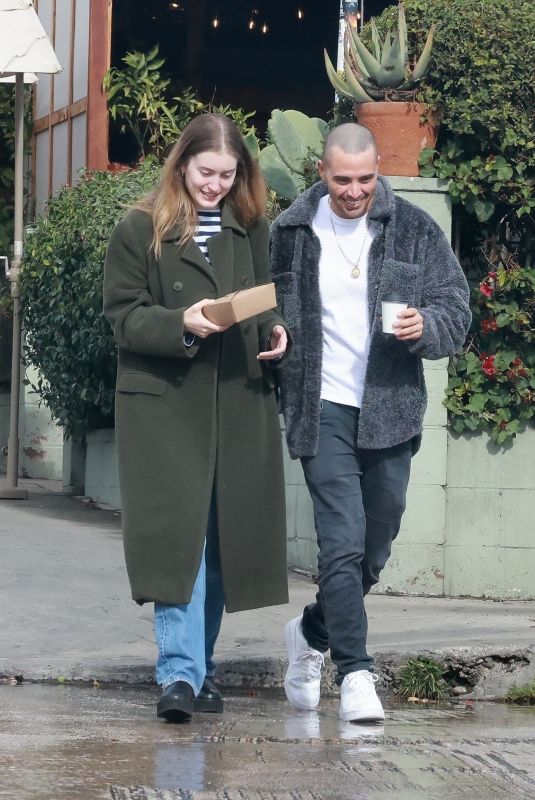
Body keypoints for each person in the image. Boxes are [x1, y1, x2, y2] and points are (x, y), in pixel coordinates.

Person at [270, 123, 471, 723]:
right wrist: (273, 335)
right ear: (321, 173)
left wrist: (425, 327)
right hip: (319, 405)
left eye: (365, 179)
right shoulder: (290, 232)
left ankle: (309, 633)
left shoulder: (413, 229)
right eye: (342, 180)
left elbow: (456, 309)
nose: (354, 192)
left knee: (374, 548)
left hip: (389, 409)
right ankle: (356, 673)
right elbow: (263, 305)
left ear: (377, 171)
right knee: (341, 541)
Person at [103, 113, 290, 723]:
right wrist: (181, 321)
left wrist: (276, 331)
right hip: (164, 408)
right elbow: (125, 317)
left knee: (221, 537)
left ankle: (198, 669)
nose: (214, 184)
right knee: (181, 540)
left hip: (236, 401)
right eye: (205, 171)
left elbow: (263, 296)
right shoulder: (139, 228)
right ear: (181, 164)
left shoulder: (251, 225)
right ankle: (178, 676)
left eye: (226, 174)